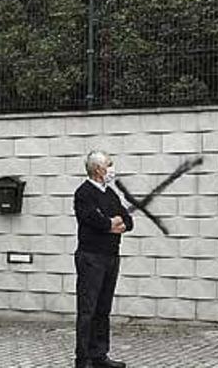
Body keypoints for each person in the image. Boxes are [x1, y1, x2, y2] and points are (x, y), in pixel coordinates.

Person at [73, 150, 133, 368]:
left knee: (103, 309)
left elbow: (128, 221)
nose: (112, 168)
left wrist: (113, 222)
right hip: (91, 258)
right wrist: (110, 223)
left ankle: (99, 355)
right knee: (88, 309)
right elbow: (95, 221)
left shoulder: (111, 194)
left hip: (111, 257)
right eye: (109, 164)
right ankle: (83, 359)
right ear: (98, 169)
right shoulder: (84, 193)